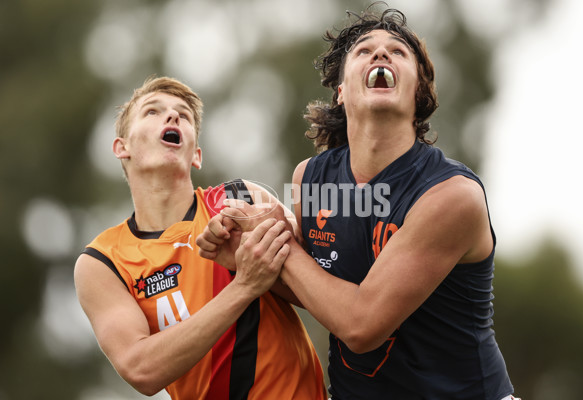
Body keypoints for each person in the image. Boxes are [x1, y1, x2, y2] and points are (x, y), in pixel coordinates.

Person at [197, 6, 520, 400]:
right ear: (342, 91)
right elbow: (321, 291)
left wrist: (278, 243)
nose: (381, 55)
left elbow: (361, 326)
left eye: (398, 52)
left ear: (418, 92)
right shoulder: (310, 178)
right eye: (364, 50)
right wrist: (249, 255)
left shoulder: (451, 195)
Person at [73, 76, 326, 399]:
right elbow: (142, 370)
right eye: (152, 111)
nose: (173, 116)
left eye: (184, 115)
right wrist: (244, 286)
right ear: (122, 148)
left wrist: (265, 266)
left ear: (196, 155)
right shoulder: (103, 260)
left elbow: (326, 295)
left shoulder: (240, 199)